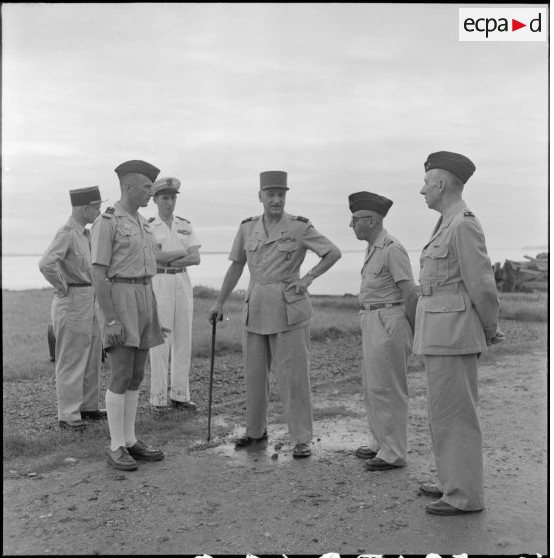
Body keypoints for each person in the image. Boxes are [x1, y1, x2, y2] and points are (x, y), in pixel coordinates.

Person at [208, 170, 341, 458]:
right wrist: (219, 302)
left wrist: (308, 278)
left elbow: (332, 253)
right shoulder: (247, 228)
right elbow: (236, 266)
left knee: (293, 377)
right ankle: (255, 432)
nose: (276, 200)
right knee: (254, 375)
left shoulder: (299, 227)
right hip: (254, 309)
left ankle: (302, 438)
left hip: (288, 310)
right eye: (271, 194)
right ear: (260, 197)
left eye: (281, 195)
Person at [415, 151, 502, 515]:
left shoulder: (463, 223)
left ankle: (465, 496)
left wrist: (488, 329)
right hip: (441, 333)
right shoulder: (447, 222)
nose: (422, 190)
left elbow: (482, 285)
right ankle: (452, 480)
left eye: (425, 182)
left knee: (457, 417)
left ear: (441, 183)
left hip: (453, 334)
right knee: (443, 414)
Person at [91, 159, 166, 471]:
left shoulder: (143, 222)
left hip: (145, 295)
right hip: (120, 297)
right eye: (147, 187)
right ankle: (115, 445)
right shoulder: (107, 221)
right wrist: (110, 319)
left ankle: (131, 440)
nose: (151, 192)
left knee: (137, 374)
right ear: (129, 186)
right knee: (121, 373)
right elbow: (98, 273)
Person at [348, 191, 418, 471]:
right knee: (374, 386)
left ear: (372, 220)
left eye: (355, 220)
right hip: (373, 319)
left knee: (389, 388)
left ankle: (394, 452)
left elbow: (410, 293)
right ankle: (381, 443)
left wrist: (414, 329)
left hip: (390, 319)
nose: (351, 225)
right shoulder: (373, 246)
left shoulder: (391, 248)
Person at [39, 186, 106, 430]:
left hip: (90, 297)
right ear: (83, 208)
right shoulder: (67, 233)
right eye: (96, 207)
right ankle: (68, 415)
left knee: (91, 355)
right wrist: (62, 286)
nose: (98, 211)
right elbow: (46, 263)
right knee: (71, 357)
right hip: (73, 299)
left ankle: (88, 407)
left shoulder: (85, 234)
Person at [148, 177, 201, 413]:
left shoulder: (185, 224)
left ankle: (180, 395)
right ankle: (158, 398)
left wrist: (169, 255)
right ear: (155, 199)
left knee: (183, 337)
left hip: (182, 280)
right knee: (160, 339)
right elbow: (153, 258)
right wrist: (181, 252)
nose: (169, 202)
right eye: (164, 198)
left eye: (172, 198)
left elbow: (195, 258)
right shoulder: (149, 226)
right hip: (160, 280)